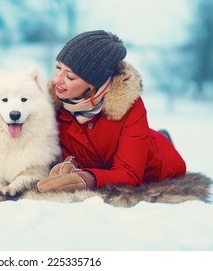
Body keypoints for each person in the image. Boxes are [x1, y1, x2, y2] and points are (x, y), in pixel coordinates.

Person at [37, 30, 186, 193]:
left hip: (157, 166)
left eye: (70, 77)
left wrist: (87, 178)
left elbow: (129, 174)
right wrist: (69, 163)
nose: (56, 79)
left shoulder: (130, 106)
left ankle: (162, 139)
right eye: (58, 68)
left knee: (155, 150)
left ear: (93, 84)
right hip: (113, 158)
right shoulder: (53, 105)